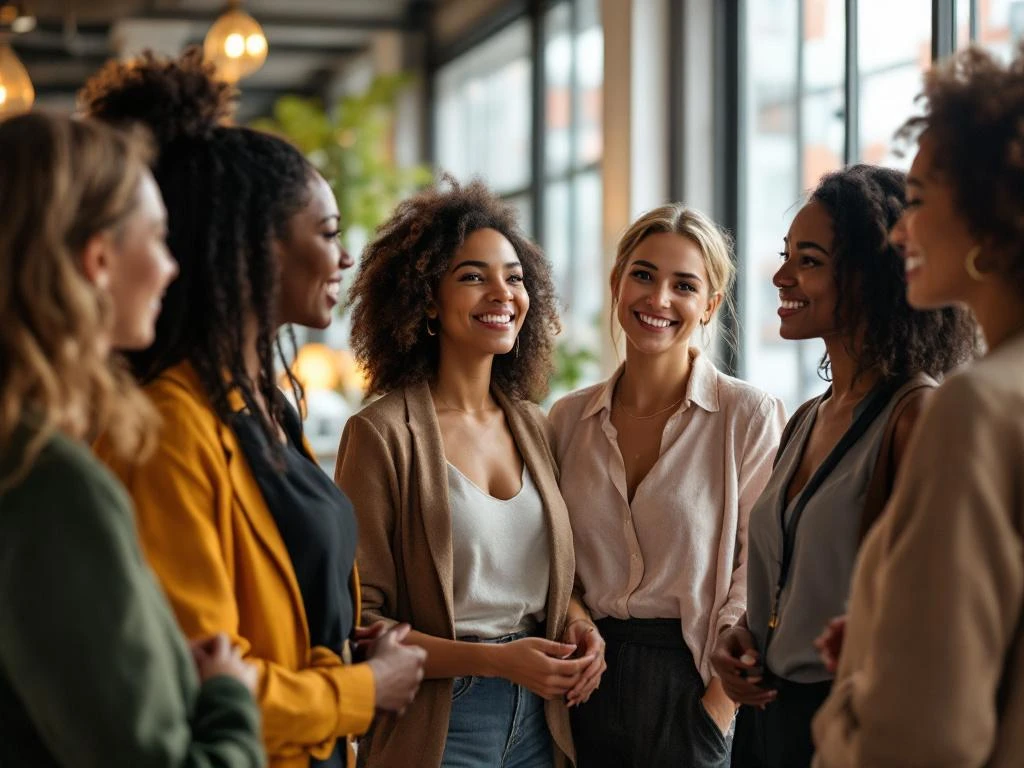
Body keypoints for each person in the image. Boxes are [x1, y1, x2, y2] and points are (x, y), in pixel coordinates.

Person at [83, 49, 425, 768]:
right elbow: (196, 678)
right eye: (327, 233)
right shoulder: (170, 426)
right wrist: (362, 690)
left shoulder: (266, 404)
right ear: (252, 247)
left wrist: (341, 647)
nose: (345, 258)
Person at [0, 111, 264, 767]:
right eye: (158, 238)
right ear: (97, 259)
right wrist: (229, 701)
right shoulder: (48, 481)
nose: (173, 268)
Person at [710, 165, 976, 768]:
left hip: (852, 730)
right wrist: (742, 640)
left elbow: (952, 610)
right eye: (786, 257)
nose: (781, 276)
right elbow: (790, 583)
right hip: (764, 726)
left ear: (870, 275)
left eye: (807, 260)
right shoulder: (805, 417)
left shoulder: (917, 418)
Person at [336, 178, 602, 767]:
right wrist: (493, 660)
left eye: (513, 276)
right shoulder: (381, 434)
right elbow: (362, 622)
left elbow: (549, 579)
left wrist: (581, 625)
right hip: (442, 720)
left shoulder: (535, 426)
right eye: (473, 276)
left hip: (542, 716)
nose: (502, 292)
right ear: (427, 299)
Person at [812, 45, 1024, 768]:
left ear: (994, 221)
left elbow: (922, 741)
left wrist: (848, 706)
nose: (900, 230)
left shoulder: (977, 408)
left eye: (923, 199)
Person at [548, 204, 786, 768]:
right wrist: (578, 620)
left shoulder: (746, 415)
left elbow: (762, 569)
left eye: (684, 285)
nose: (658, 299)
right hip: (585, 677)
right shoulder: (566, 420)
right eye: (643, 274)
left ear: (710, 305)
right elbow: (552, 558)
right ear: (616, 282)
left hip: (692, 682)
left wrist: (716, 709)